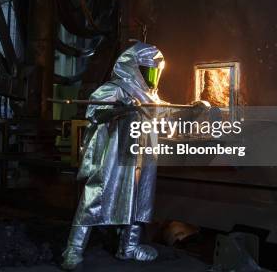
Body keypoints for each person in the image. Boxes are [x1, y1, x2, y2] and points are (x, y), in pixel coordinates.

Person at [61, 42, 205, 270]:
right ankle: (73, 249)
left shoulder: (151, 97)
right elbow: (94, 112)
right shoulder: (116, 89)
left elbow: (167, 114)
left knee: (139, 201)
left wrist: (193, 110)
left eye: (155, 71)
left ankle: (128, 247)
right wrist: (120, 109)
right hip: (115, 156)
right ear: (133, 67)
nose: (152, 76)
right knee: (95, 198)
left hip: (143, 159)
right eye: (148, 70)